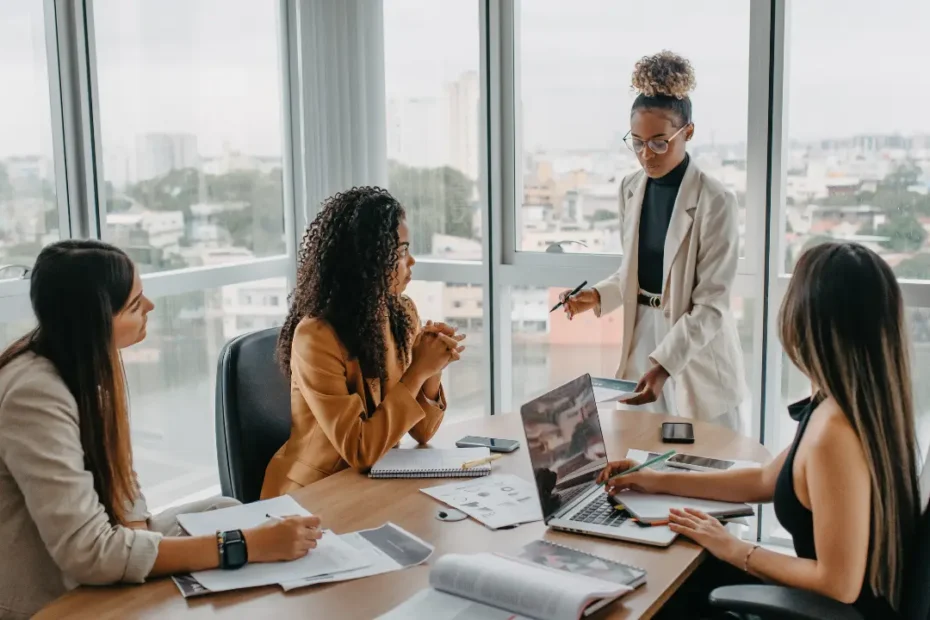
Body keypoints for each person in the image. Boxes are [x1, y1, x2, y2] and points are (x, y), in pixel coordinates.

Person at [0, 240, 323, 620]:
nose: (150, 307)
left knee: (226, 508)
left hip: (88, 560)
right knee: (239, 539)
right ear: (98, 320)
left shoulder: (87, 364)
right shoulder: (35, 394)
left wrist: (141, 539)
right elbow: (87, 552)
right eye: (135, 304)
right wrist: (243, 546)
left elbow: (122, 482)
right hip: (47, 594)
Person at [597, 242, 922, 618]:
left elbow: (839, 584)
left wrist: (735, 549)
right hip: (821, 605)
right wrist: (654, 480)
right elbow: (767, 479)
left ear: (808, 321)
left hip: (826, 610)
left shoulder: (836, 432)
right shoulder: (846, 403)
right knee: (674, 574)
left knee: (657, 595)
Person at [561, 51, 746, 430]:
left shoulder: (716, 201)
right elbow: (634, 273)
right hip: (642, 336)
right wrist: (596, 297)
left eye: (660, 142)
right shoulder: (630, 189)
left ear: (688, 133)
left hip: (696, 347)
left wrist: (665, 365)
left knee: (707, 465)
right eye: (638, 142)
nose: (647, 154)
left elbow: (711, 305)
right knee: (640, 453)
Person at [261, 187, 465, 497]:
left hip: (371, 485)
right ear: (365, 260)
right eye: (399, 252)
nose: (411, 260)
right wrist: (417, 371)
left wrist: (431, 367)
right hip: (312, 494)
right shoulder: (316, 336)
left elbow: (423, 432)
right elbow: (358, 450)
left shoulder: (401, 313)